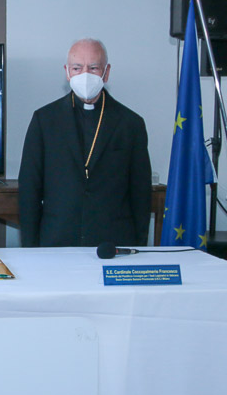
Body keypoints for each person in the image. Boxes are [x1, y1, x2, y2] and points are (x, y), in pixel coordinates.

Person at [18, 38, 151, 247]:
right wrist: (30, 248)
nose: (85, 75)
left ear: (106, 72)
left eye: (94, 68)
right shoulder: (44, 120)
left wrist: (138, 247)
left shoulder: (130, 123)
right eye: (77, 68)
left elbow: (141, 194)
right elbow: (29, 189)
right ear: (67, 72)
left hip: (113, 244)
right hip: (56, 242)